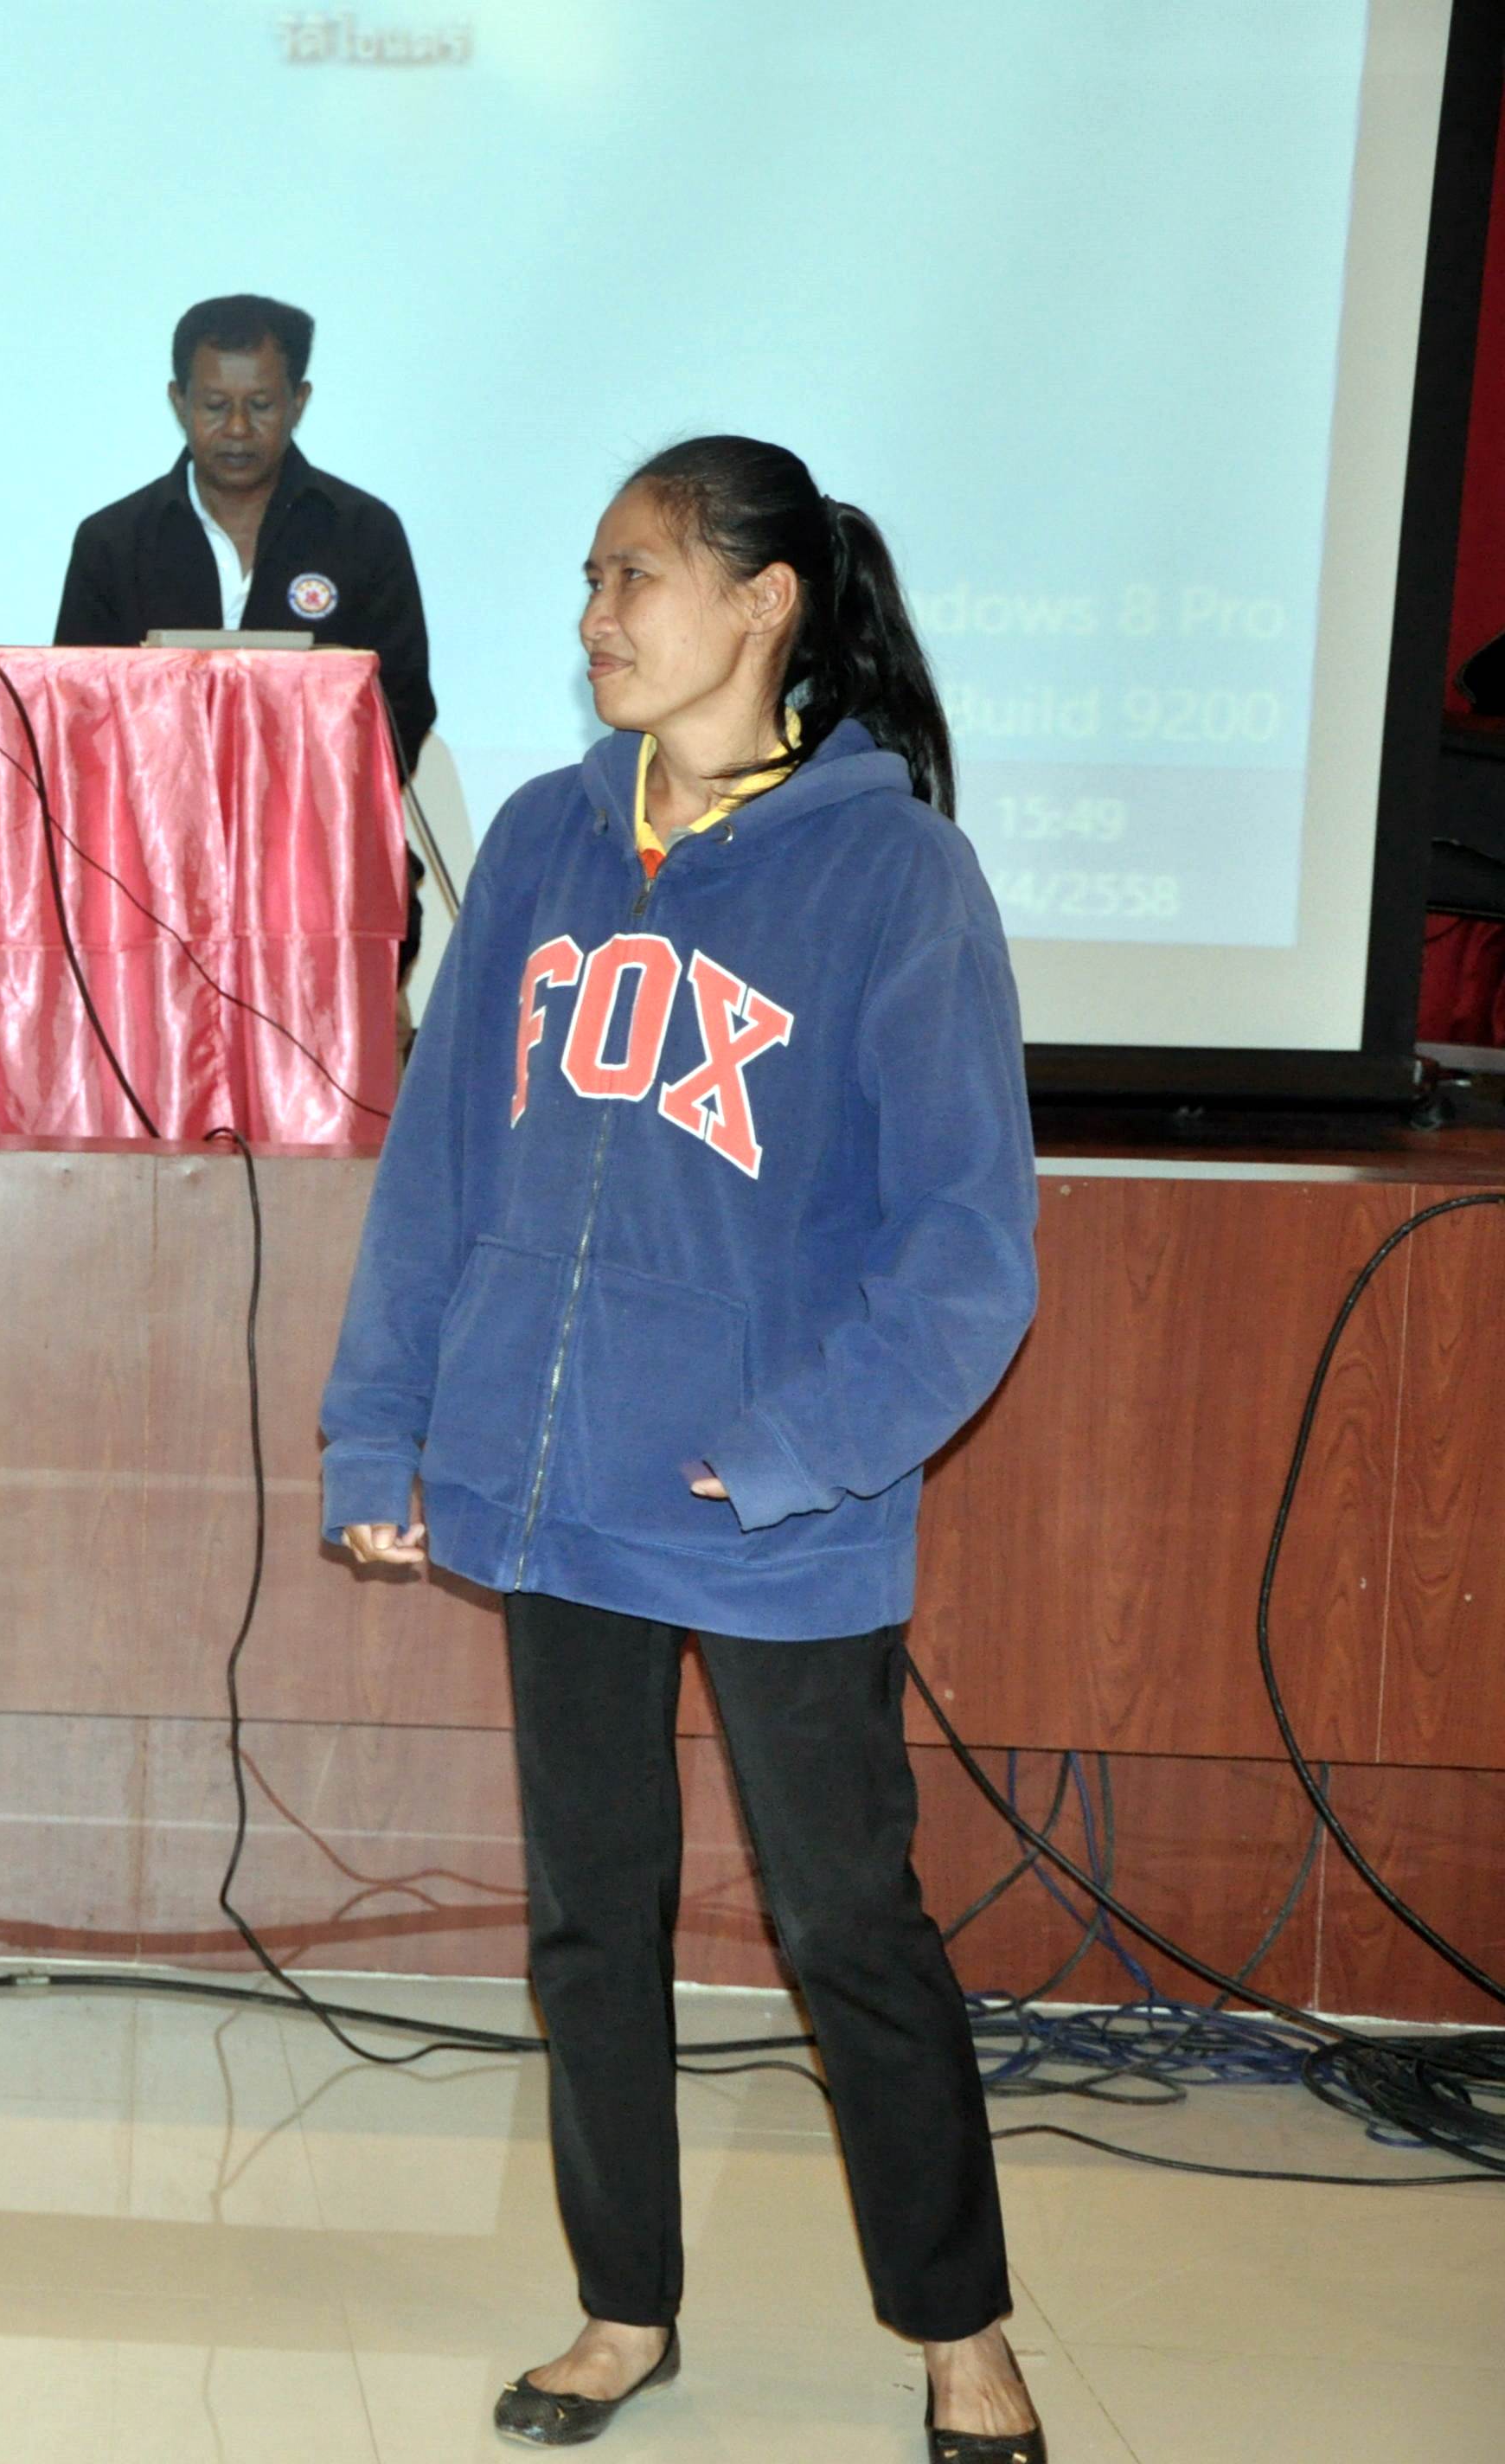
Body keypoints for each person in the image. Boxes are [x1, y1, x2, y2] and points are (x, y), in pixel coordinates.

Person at [318, 436, 1047, 2463]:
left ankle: (960, 2331)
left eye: (629, 574)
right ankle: (619, 2302)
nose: (592, 616)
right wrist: (382, 1426)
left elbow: (968, 1245)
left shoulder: (891, 875)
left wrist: (802, 1446)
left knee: (842, 1925)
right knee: (588, 1917)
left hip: (773, 1514)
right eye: (585, 578)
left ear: (761, 599)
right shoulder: (546, 841)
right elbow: (436, 1162)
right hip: (553, 1500)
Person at [54, 292, 436, 767]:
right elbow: (77, 710)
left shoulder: (363, 532)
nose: (237, 428)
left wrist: (304, 792)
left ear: (298, 402)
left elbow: (403, 705)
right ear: (179, 401)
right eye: (215, 405)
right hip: (151, 808)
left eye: (260, 405)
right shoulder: (112, 541)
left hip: (315, 807)